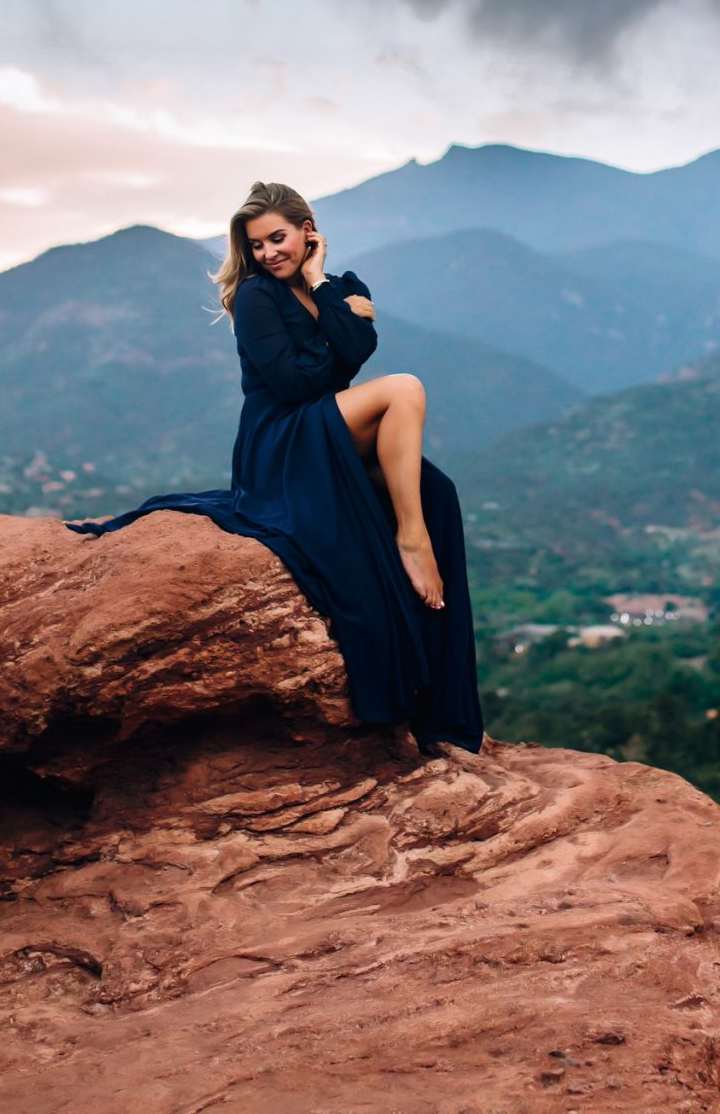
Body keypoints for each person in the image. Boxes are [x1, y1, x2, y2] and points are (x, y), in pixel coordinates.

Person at [65, 180, 484, 756]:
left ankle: (440, 708)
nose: (267, 253)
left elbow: (355, 355)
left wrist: (322, 289)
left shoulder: (338, 286)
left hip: (325, 426)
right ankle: (410, 542)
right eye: (257, 244)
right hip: (281, 440)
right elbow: (295, 382)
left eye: (278, 238)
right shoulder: (257, 298)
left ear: (308, 231)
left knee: (438, 491)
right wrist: (340, 331)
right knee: (405, 389)